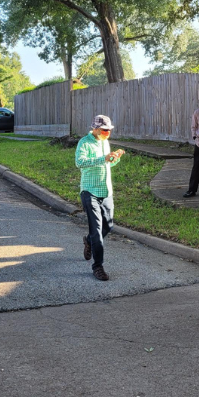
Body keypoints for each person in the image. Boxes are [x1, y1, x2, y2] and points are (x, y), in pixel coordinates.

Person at [75, 115, 125, 281]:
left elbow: (107, 163)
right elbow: (80, 162)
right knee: (97, 230)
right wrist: (102, 158)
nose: (108, 133)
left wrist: (114, 159)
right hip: (89, 191)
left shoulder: (105, 142)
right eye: (105, 130)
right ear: (95, 128)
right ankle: (98, 266)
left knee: (108, 226)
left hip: (106, 191)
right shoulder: (85, 142)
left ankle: (89, 241)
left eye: (109, 130)